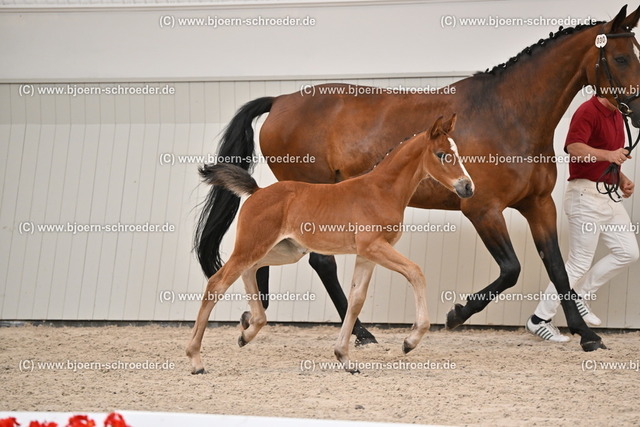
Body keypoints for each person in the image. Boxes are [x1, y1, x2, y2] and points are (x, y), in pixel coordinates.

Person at [525, 94, 639, 342]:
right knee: (578, 262)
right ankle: (539, 319)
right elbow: (574, 149)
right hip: (585, 196)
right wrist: (609, 155)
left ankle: (579, 294)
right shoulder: (588, 110)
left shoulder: (618, 114)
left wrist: (621, 179)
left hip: (608, 195)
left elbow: (608, 159)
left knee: (628, 252)